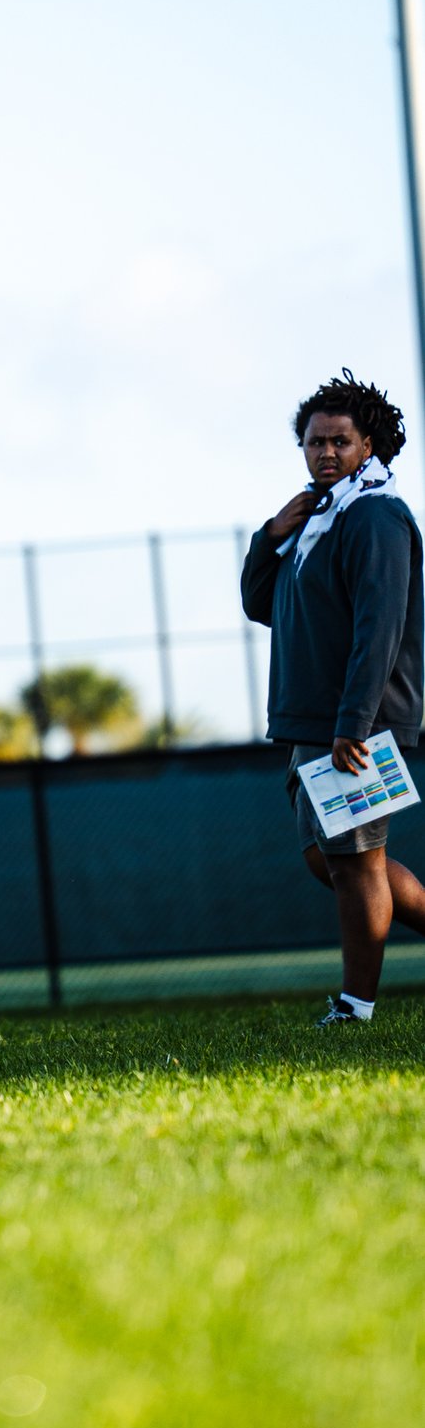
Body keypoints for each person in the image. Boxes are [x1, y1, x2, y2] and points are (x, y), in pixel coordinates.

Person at [240, 370, 425, 1026]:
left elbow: (381, 628)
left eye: (339, 442)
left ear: (367, 446)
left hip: (354, 722)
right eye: (314, 442)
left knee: (356, 864)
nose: (324, 453)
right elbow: (261, 605)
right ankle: (357, 999)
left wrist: (355, 722)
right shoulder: (316, 519)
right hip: (310, 720)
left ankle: (355, 1006)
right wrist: (269, 537)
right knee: (331, 859)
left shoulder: (373, 513)